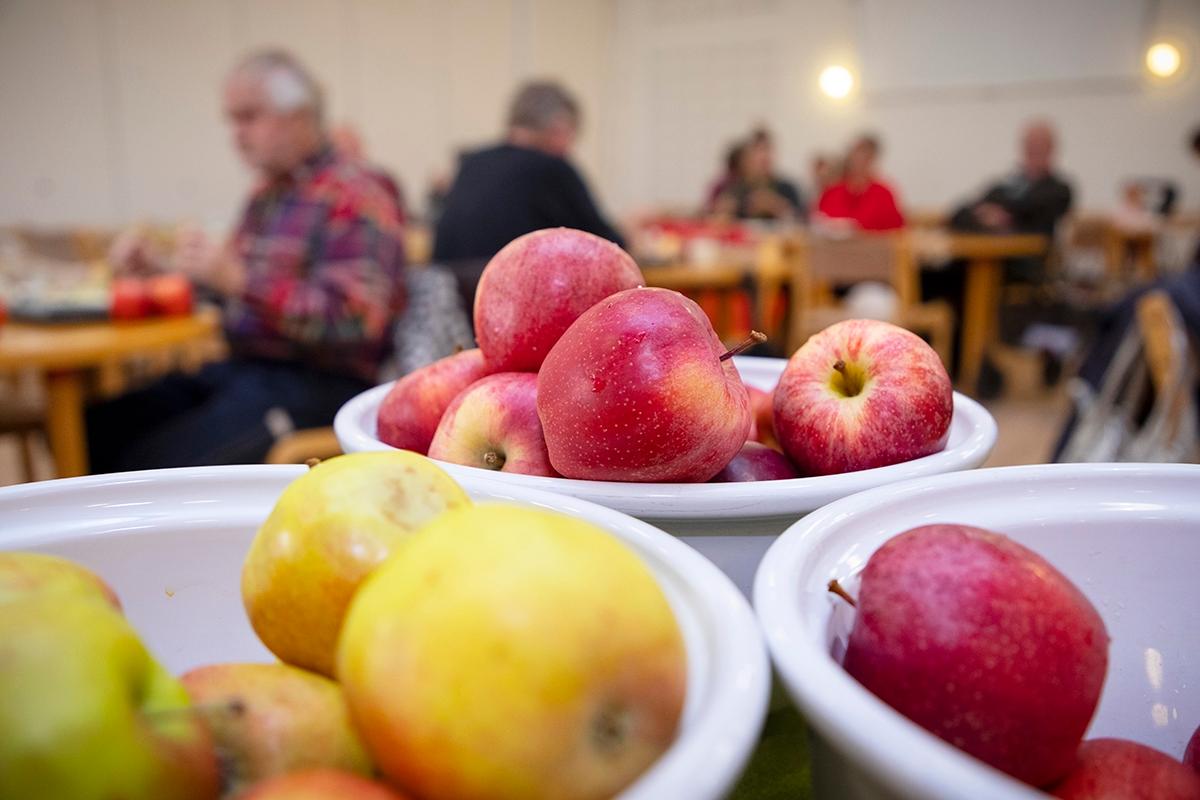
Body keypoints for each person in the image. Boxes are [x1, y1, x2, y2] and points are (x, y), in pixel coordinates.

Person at [89, 50, 406, 473]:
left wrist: (238, 281)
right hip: (248, 370)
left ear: (298, 116)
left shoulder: (356, 194)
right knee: (101, 424)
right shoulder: (266, 195)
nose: (236, 134)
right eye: (232, 120)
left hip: (321, 383)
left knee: (151, 464)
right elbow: (230, 290)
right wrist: (162, 272)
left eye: (249, 117)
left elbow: (355, 326)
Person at [432, 81, 623, 268]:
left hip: (453, 293)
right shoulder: (552, 168)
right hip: (512, 290)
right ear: (559, 127)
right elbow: (608, 246)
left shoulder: (472, 162)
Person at [950, 121, 1073, 238]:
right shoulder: (1005, 186)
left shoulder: (1059, 190)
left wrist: (1001, 216)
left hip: (1027, 256)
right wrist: (984, 216)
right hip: (992, 253)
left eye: (1040, 145)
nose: (1034, 150)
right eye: (1030, 145)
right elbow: (960, 214)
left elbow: (1033, 210)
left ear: (1051, 149)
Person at [815, 134, 904, 231]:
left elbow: (897, 231)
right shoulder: (832, 192)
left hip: (873, 245)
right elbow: (816, 222)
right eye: (855, 153)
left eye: (865, 154)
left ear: (873, 159)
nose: (858, 159)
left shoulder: (883, 194)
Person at [713, 128, 805, 221]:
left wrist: (778, 208)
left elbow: (803, 222)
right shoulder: (735, 190)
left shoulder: (787, 189)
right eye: (758, 151)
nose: (763, 156)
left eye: (767, 150)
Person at [330, 123, 407, 223]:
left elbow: (401, 214)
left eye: (352, 142)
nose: (347, 148)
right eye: (341, 144)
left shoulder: (382, 178)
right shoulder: (326, 182)